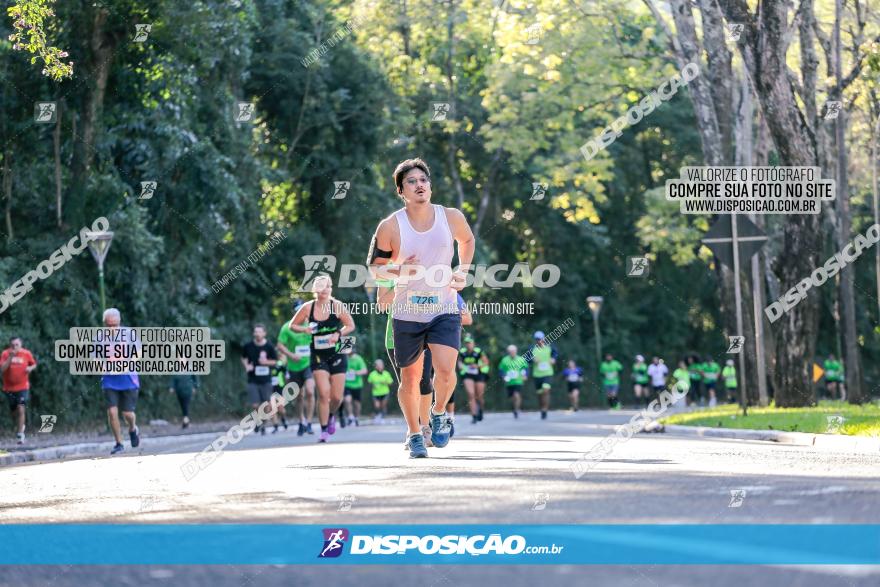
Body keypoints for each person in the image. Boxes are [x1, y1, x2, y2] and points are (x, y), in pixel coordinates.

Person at [367, 158, 475, 458]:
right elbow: (374, 269)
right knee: (411, 378)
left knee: (445, 369)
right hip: (407, 312)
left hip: (444, 306)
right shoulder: (390, 226)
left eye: (423, 180)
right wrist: (400, 271)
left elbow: (467, 239)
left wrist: (463, 269)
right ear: (401, 191)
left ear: (430, 185)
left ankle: (439, 413)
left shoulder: (450, 216)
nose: (420, 185)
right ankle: (415, 434)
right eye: (412, 182)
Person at [289, 275, 355, 443]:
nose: (324, 290)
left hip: (338, 353)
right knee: (323, 393)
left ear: (331, 289)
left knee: (337, 397)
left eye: (328, 287)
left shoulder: (337, 306)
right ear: (315, 289)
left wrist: (338, 333)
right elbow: (292, 325)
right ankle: (324, 429)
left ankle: (332, 414)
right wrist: (304, 330)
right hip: (318, 355)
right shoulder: (307, 308)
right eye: (321, 287)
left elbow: (350, 325)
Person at [101, 308, 141, 455]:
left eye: (115, 325)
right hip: (109, 379)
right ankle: (119, 443)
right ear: (105, 324)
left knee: (128, 414)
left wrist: (129, 362)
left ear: (119, 322)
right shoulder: (100, 337)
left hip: (128, 378)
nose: (112, 329)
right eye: (109, 325)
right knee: (112, 412)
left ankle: (133, 428)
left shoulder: (129, 334)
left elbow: (138, 353)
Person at [276, 302, 317, 436]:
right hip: (293, 366)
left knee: (310, 391)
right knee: (299, 396)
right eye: (298, 310)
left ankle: (309, 423)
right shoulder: (287, 327)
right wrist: (290, 355)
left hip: (309, 364)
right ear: (294, 312)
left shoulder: (313, 326)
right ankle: (301, 421)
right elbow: (280, 345)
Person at [240, 323, 278, 436]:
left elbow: (275, 361)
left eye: (259, 332)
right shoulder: (248, 346)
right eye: (256, 332)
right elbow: (243, 357)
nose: (257, 334)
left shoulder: (269, 346)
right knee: (255, 405)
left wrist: (266, 362)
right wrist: (247, 366)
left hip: (266, 380)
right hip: (252, 379)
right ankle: (259, 421)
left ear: (264, 333)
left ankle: (262, 421)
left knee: (267, 405)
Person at [1, 336, 36, 444]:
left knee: (21, 408)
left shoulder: (26, 353)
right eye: (13, 345)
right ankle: (21, 425)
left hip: (23, 387)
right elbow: (2, 369)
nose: (15, 347)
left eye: (17, 345)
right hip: (9, 388)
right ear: (10, 345)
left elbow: (33, 364)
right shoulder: (5, 354)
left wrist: (30, 368)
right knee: (14, 411)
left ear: (21, 345)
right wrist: (10, 358)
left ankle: (20, 434)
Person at [458, 335, 489, 424]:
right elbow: (459, 361)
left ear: (473, 344)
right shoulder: (462, 352)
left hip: (479, 374)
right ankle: (474, 415)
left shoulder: (478, 352)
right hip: (467, 375)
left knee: (479, 396)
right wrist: (460, 366)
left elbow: (486, 362)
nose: (468, 345)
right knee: (471, 394)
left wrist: (477, 366)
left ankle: (481, 410)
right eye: (467, 343)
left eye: (470, 343)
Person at [528, 331, 557, 419]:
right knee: (540, 394)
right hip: (537, 374)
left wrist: (553, 359)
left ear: (544, 338)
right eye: (537, 339)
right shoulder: (532, 348)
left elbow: (555, 354)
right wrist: (532, 359)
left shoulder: (550, 347)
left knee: (546, 389)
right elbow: (527, 360)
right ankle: (542, 408)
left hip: (547, 373)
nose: (539, 341)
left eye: (540, 339)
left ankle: (545, 409)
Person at [498, 345, 527, 418]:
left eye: (514, 351)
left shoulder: (521, 359)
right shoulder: (505, 360)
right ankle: (515, 408)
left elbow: (525, 368)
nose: (512, 353)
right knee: (512, 397)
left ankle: (516, 409)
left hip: (518, 381)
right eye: (511, 351)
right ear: (508, 352)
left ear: (516, 351)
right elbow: (501, 370)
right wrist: (503, 376)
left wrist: (525, 375)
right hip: (509, 382)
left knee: (516, 395)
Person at [343, 348, 368, 426]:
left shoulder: (358, 358)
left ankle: (356, 417)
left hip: (357, 384)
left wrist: (355, 372)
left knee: (357, 403)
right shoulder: (344, 358)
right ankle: (350, 416)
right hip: (347, 384)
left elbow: (365, 371)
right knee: (347, 400)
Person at [270, 358, 289, 432]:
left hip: (279, 387)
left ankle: (283, 418)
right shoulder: (265, 363)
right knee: (272, 407)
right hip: (270, 388)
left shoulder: (280, 364)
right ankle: (275, 426)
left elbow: (287, 375)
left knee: (280, 408)